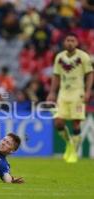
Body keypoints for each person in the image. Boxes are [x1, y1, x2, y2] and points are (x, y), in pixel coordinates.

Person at [46, 33, 93, 163]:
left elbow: (90, 74)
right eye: (68, 40)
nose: (70, 43)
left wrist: (88, 91)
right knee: (58, 123)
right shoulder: (59, 57)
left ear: (77, 43)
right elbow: (56, 76)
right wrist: (52, 92)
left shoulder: (83, 56)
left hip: (78, 93)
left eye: (73, 40)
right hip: (63, 94)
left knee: (76, 123)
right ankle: (70, 143)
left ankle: (74, 152)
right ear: (64, 42)